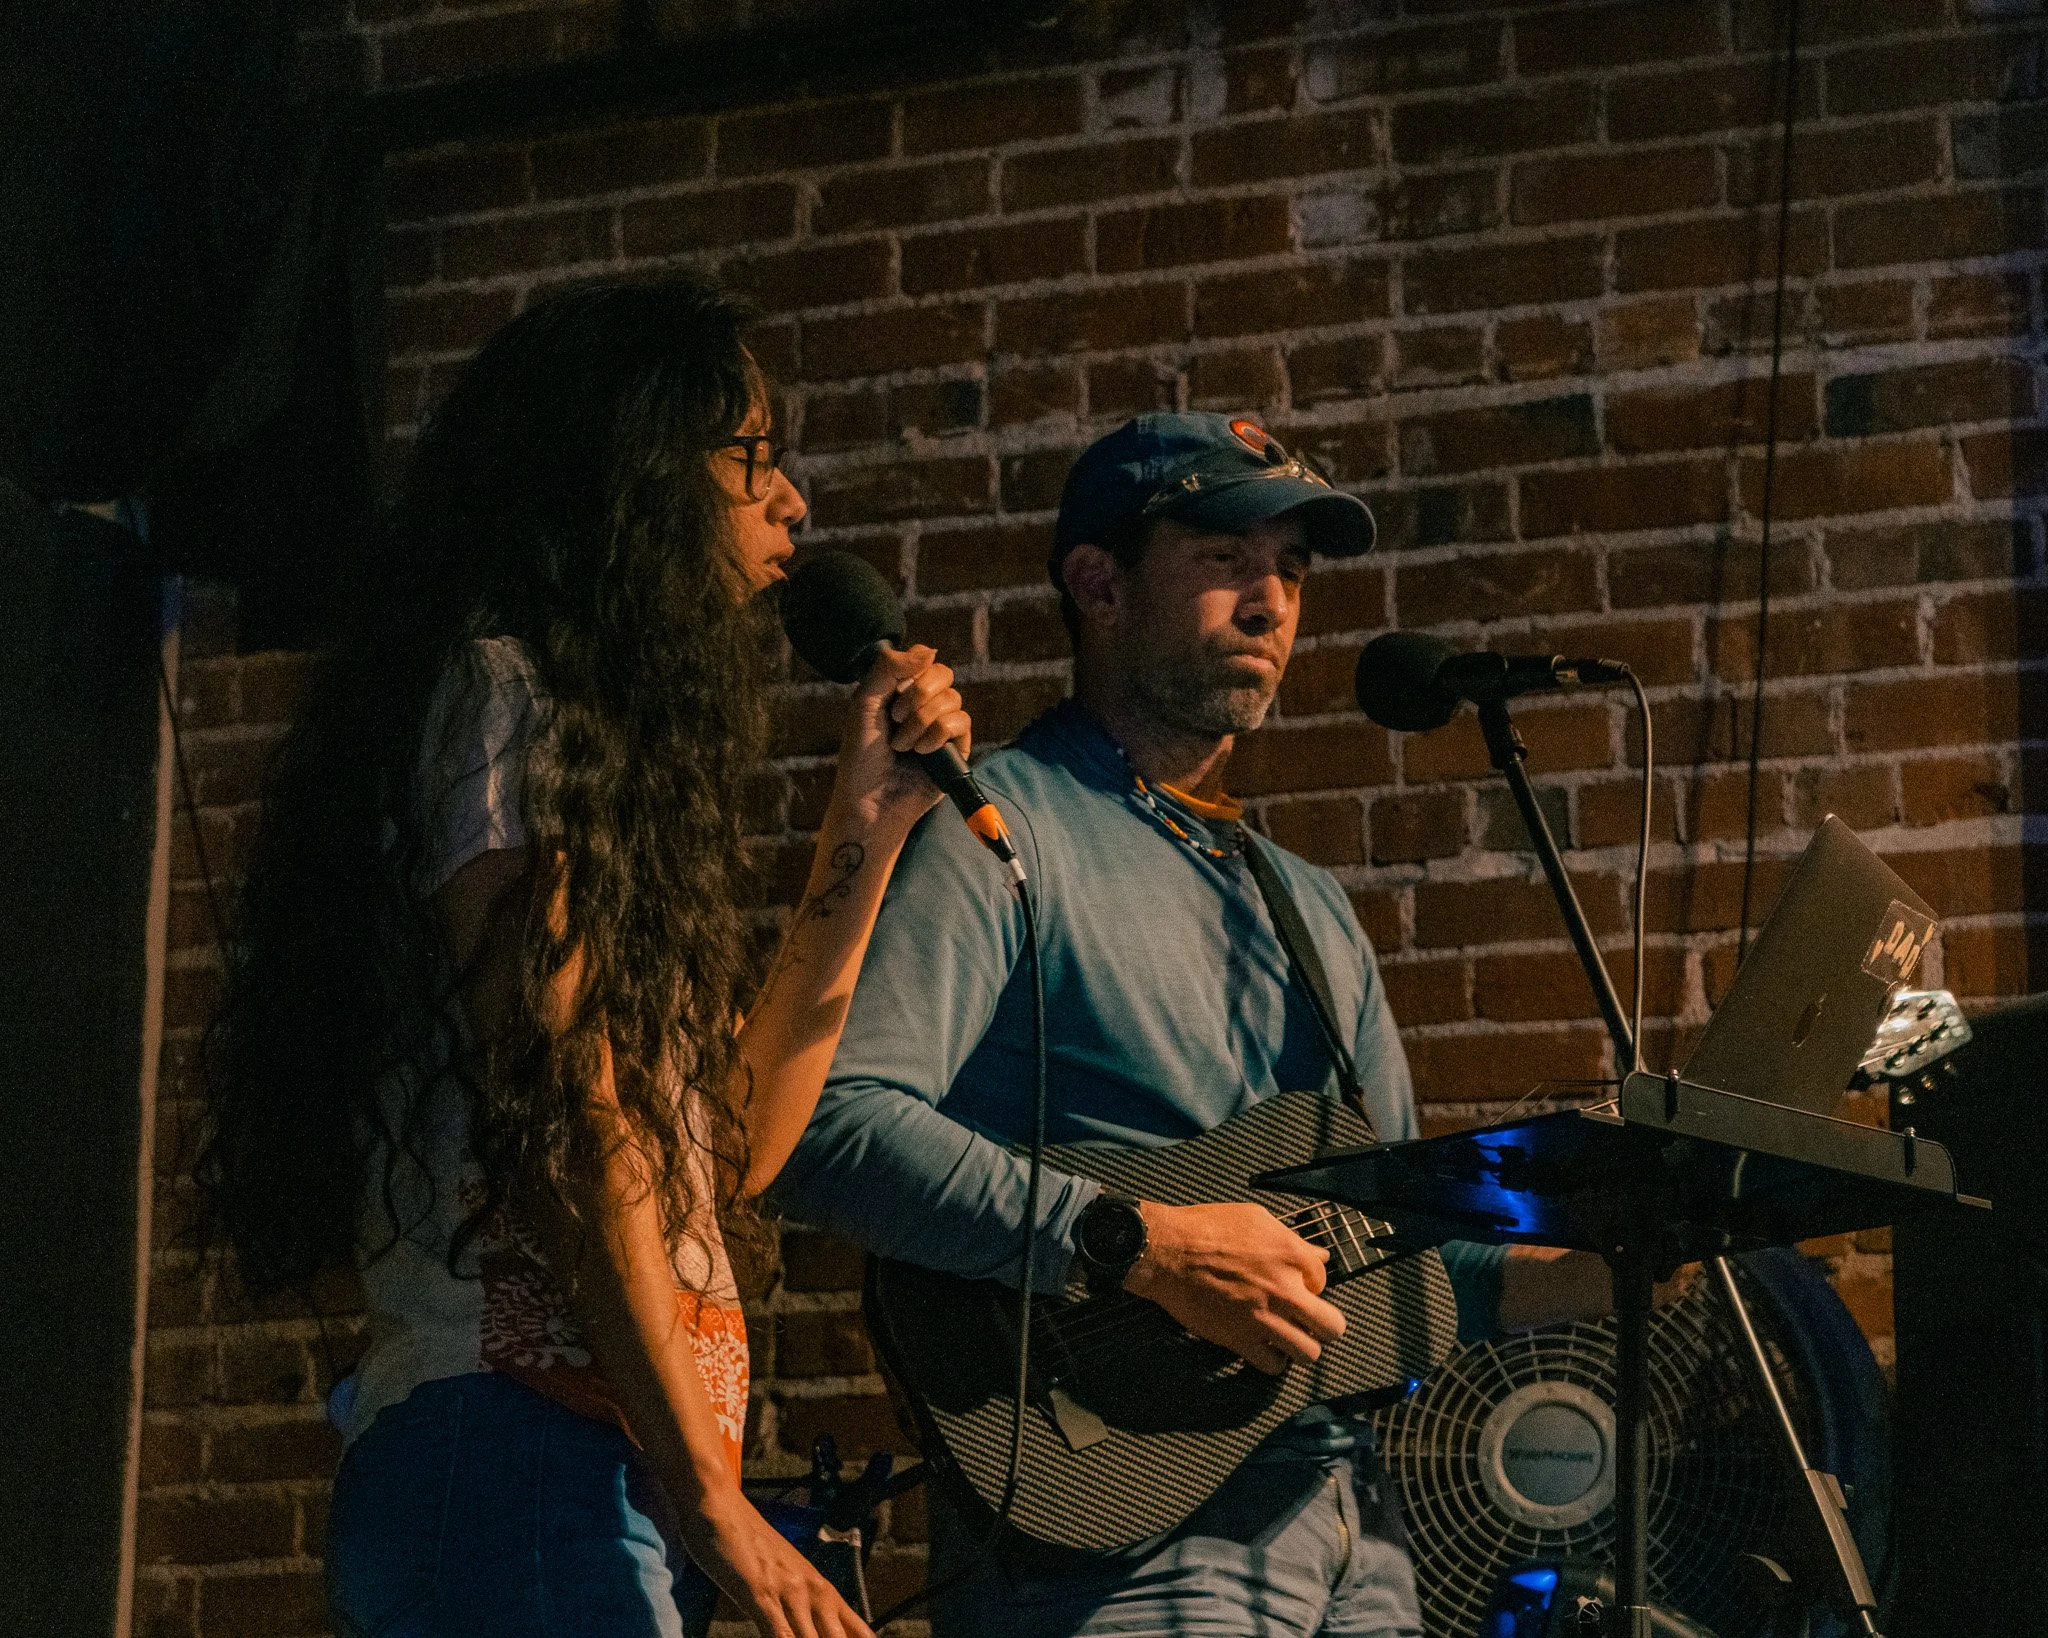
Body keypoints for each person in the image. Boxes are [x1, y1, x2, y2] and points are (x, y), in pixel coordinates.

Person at [198, 277, 974, 1638]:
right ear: (630, 477)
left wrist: (867, 829)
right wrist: (710, 1499)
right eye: (752, 457)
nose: (792, 500)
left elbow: (738, 1149)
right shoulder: (500, 695)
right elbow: (567, 1118)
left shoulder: (602, 779)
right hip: (521, 1455)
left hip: (602, 1472)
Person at [771, 412, 1622, 1637]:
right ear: (1097, 581)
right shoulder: (992, 829)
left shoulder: (1312, 907)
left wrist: (1631, 1247)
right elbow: (827, 1133)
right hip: (1117, 1533)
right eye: (1227, 554)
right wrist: (1145, 1247)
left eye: (1291, 569)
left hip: (1355, 1528)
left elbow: (1398, 1264)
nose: (1272, 600)